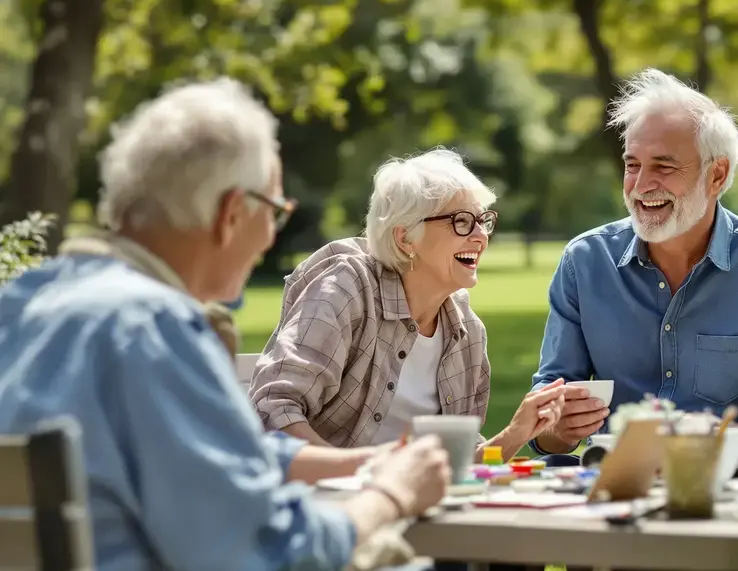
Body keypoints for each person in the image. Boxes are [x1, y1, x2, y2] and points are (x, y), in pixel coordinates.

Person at [0, 79, 452, 570]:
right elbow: (268, 553)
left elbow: (203, 461)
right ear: (232, 214)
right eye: (276, 212)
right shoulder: (151, 329)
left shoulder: (23, 302)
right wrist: (391, 494)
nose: (269, 237)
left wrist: (363, 463)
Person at [529, 68, 738, 457]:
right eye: (633, 165)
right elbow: (547, 429)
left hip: (731, 491)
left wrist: (711, 446)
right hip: (614, 489)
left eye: (664, 167)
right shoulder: (584, 262)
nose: (641, 184)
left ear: (716, 175)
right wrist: (557, 425)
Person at [249, 148, 566, 461]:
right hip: (329, 501)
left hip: (415, 502)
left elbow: (459, 465)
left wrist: (515, 434)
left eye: (483, 220)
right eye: (461, 221)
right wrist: (359, 474)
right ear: (405, 238)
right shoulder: (347, 290)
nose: (480, 235)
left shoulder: (467, 331)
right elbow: (273, 409)